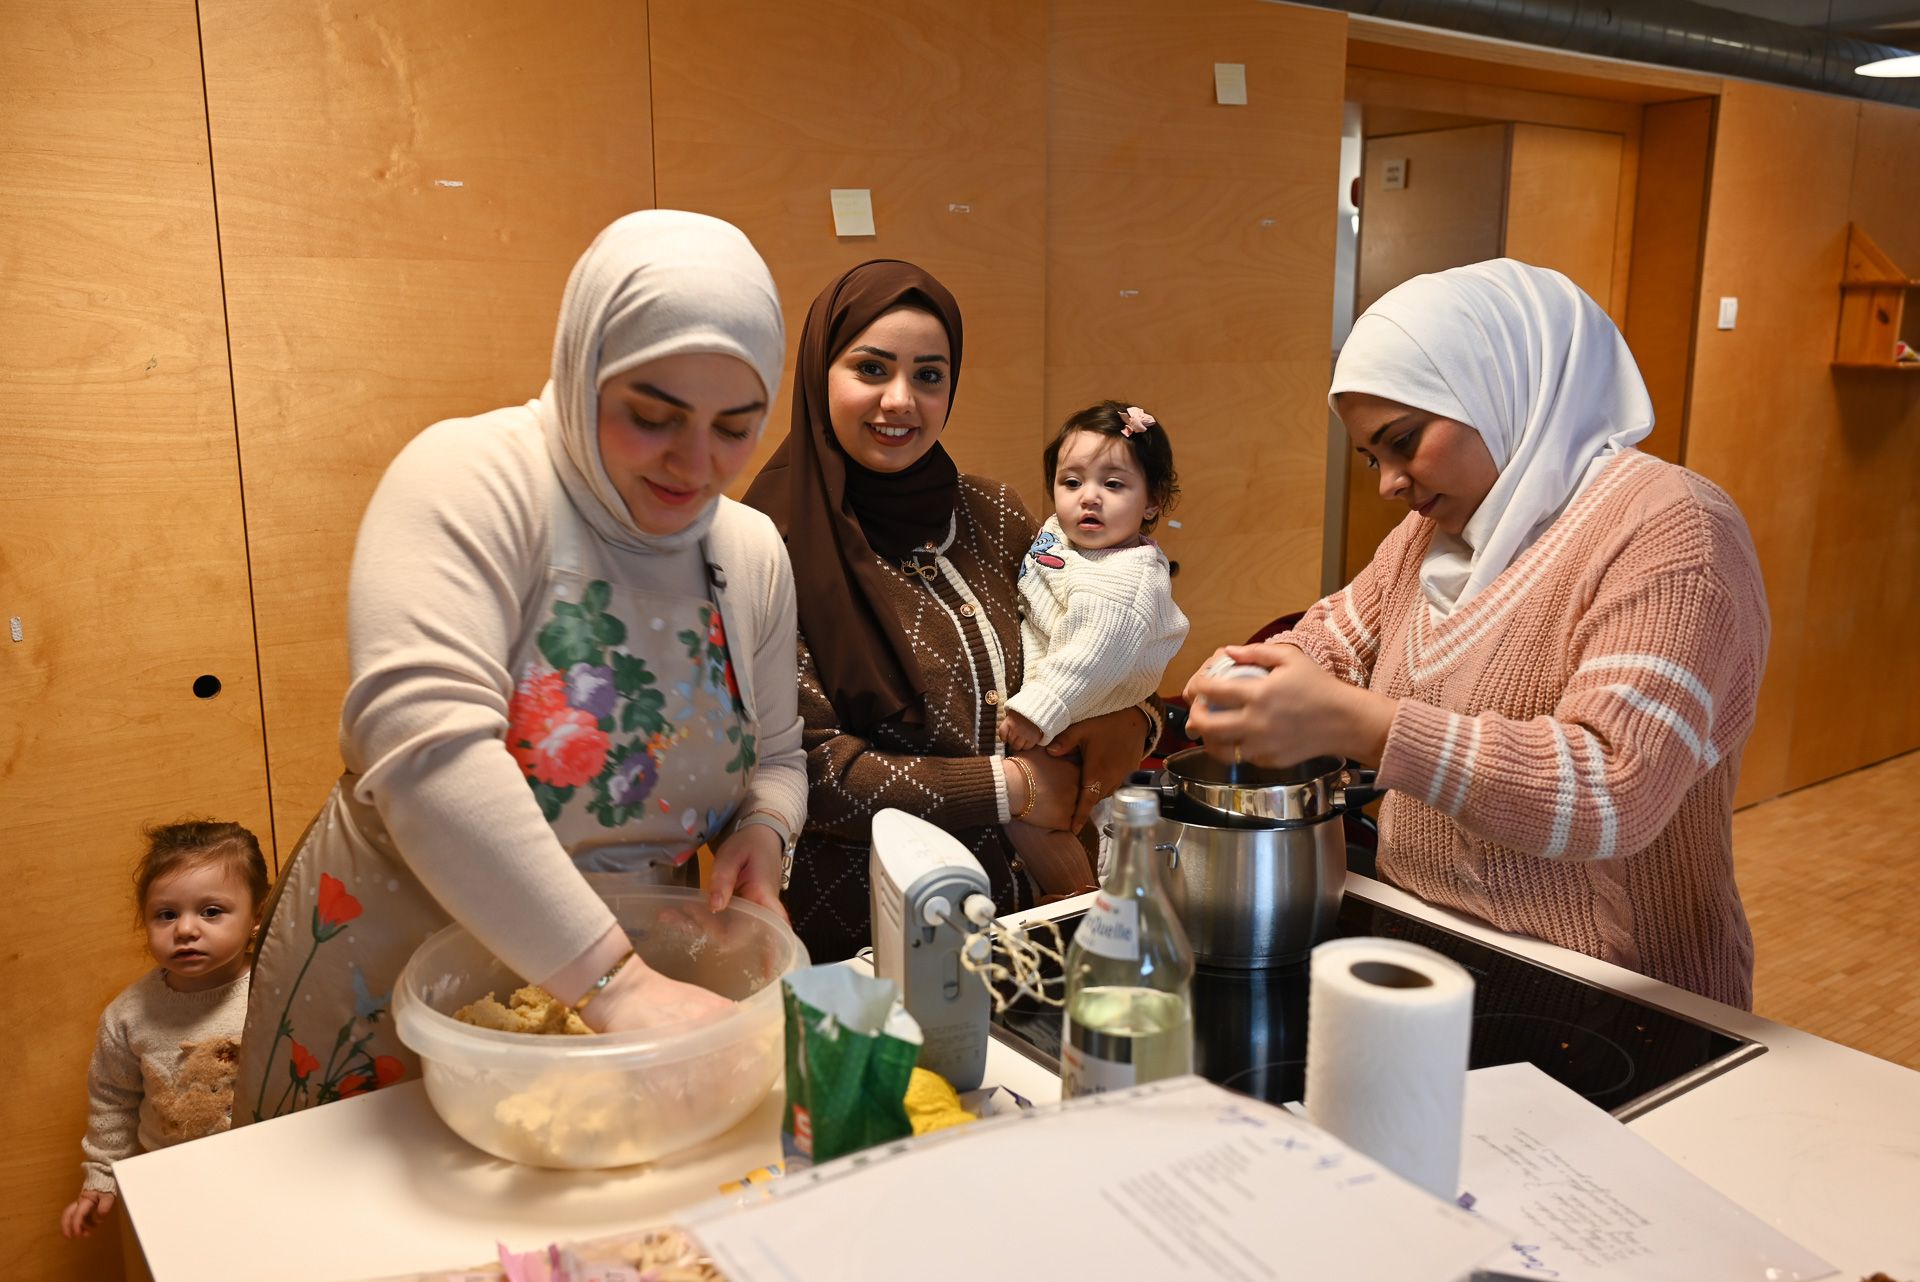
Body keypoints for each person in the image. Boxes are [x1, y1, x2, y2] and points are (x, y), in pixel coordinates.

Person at [236, 211, 808, 1122]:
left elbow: (777, 753)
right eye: (653, 417)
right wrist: (613, 984)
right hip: (395, 994)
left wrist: (764, 835)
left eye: (736, 428)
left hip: (616, 1013)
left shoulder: (749, 552)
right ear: (584, 371)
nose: (696, 465)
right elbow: (427, 752)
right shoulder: (475, 479)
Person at [1184, 259, 1768, 1009]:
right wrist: (1262, 672)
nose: (1390, 482)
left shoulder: (1673, 530)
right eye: (1373, 457)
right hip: (1431, 957)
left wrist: (1359, 723)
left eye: (1404, 441)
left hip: (1616, 991)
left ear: (1500, 383)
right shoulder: (1433, 536)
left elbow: (1613, 790)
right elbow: (1335, 635)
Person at [744, 261, 1160, 960]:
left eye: (928, 375)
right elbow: (811, 772)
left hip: (1040, 916)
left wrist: (1137, 722)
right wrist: (1016, 788)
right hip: (873, 937)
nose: (900, 400)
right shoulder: (767, 542)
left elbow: (1092, 633)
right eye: (872, 369)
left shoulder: (990, 512)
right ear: (820, 375)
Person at [63, 821, 269, 1240]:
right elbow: (112, 1100)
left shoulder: (278, 988)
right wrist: (101, 1177)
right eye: (166, 914)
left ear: (256, 917)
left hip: (270, 1173)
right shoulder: (128, 1016)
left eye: (211, 911)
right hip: (175, 1186)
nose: (186, 929)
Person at [999, 401, 1188, 751]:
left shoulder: (1128, 583)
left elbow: (1090, 658)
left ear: (1153, 501)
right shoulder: (1061, 535)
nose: (1089, 497)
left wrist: (1035, 711)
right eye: (1071, 482)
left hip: (1065, 714)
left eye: (1113, 484)